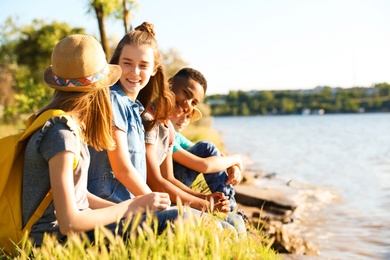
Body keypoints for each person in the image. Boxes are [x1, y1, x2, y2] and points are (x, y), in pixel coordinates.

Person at [22, 34, 179, 247]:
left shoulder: (70, 129)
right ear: (98, 88)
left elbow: (81, 196)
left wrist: (134, 209)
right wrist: (133, 206)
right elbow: (69, 223)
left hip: (70, 234)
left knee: (182, 217)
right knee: (180, 219)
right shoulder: (61, 135)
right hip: (52, 244)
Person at [170, 106, 243, 211]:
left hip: (175, 183)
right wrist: (236, 158)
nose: (184, 120)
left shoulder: (176, 136)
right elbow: (204, 165)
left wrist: (232, 165)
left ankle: (227, 202)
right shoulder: (166, 135)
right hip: (170, 185)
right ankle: (228, 203)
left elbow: (211, 153)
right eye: (181, 113)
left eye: (188, 116)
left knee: (207, 148)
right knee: (206, 146)